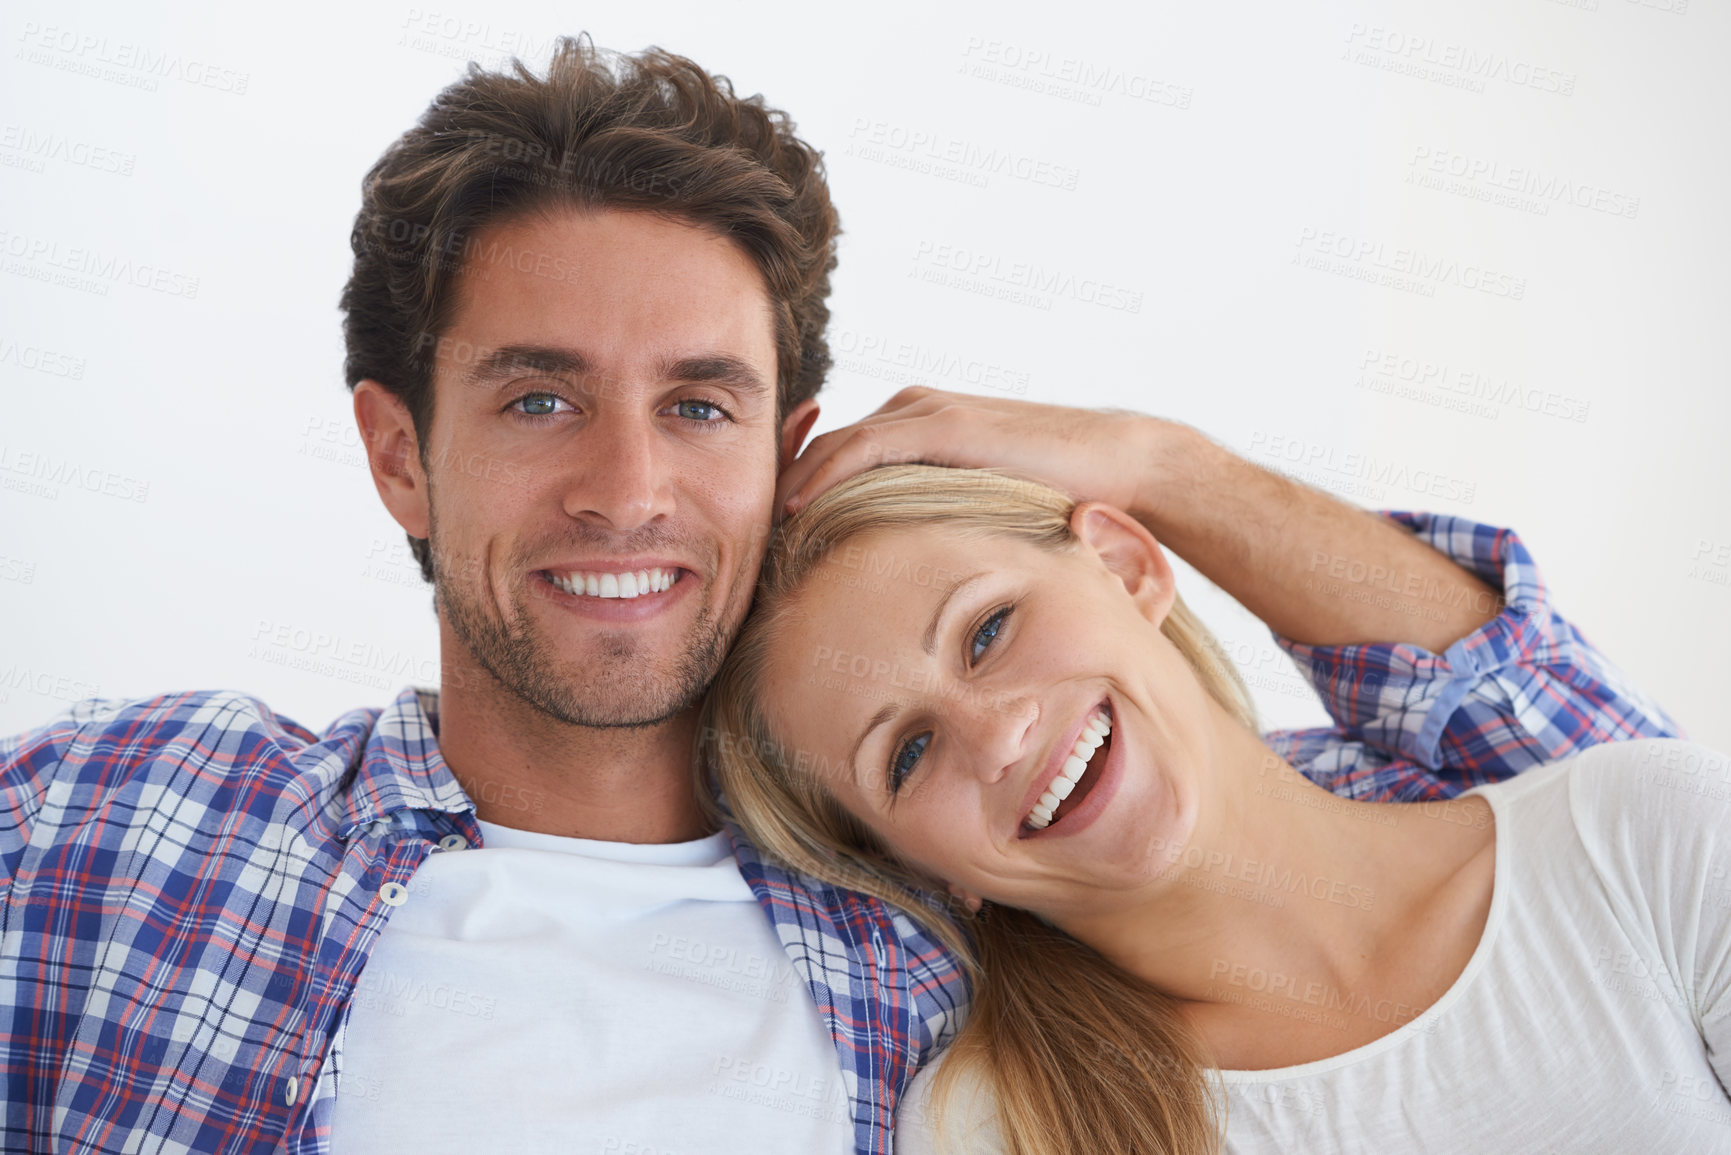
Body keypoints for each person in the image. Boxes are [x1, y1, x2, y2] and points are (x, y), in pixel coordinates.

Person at [0, 34, 1674, 1155]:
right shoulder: (145, 825)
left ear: (789, 447)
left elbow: (1551, 749)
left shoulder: (1010, 867)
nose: (628, 486)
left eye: (700, 403)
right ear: (398, 457)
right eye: (534, 398)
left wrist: (1157, 463)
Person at [702, 463, 1716, 1154]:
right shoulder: (998, 1125)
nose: (999, 734)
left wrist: (1154, 454)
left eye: (989, 629)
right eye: (909, 754)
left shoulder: (1641, 831)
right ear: (926, 873)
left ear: (1128, 568)